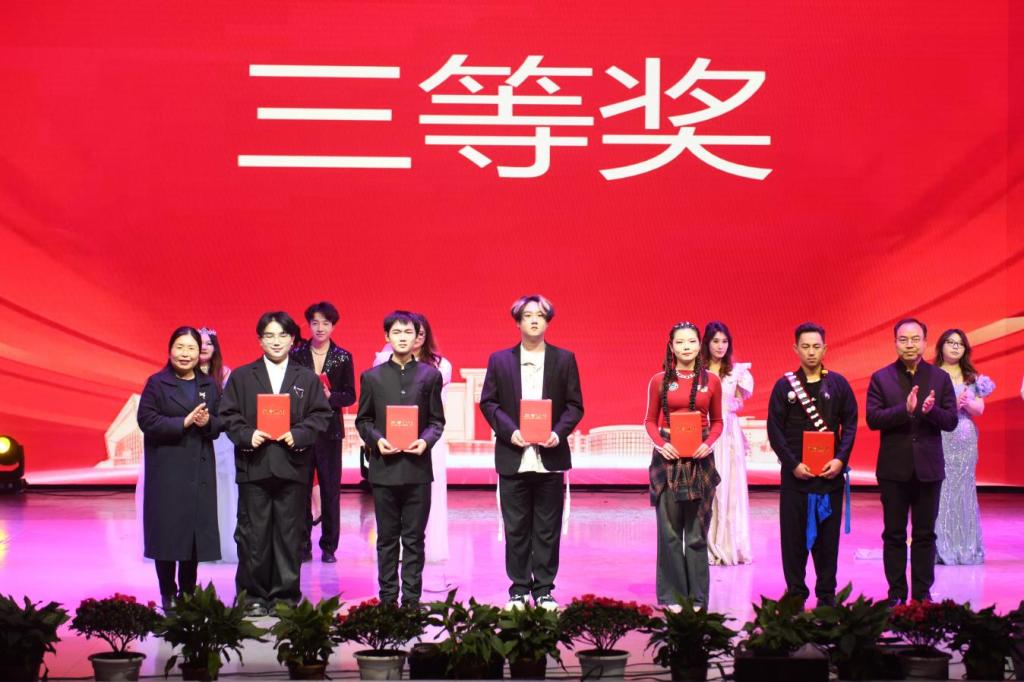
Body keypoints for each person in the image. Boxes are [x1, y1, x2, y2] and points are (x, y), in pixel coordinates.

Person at [219, 311, 332, 616]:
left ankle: (285, 596)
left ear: (292, 339)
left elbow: (321, 414)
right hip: (254, 465)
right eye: (269, 335)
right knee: (252, 535)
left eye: (282, 335)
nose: (276, 341)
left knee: (289, 534)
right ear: (260, 340)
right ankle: (253, 596)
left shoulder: (306, 378)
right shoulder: (242, 376)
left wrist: (299, 434)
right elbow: (227, 414)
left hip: (292, 466)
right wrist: (247, 434)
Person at [480, 294, 584, 611]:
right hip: (513, 457)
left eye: (540, 315)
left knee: (547, 529)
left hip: (549, 459)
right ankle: (518, 589)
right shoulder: (500, 360)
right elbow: (489, 403)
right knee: (516, 529)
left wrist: (557, 433)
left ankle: (544, 590)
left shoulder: (564, 359)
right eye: (528, 315)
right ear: (518, 322)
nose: (535, 319)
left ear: (548, 321)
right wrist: (509, 431)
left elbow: (575, 406)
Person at [356, 311, 445, 607]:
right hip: (384, 470)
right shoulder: (372, 377)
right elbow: (363, 420)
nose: (403, 337)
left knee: (414, 539)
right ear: (387, 337)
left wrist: (426, 441)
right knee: (386, 538)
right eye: (397, 332)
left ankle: (411, 599)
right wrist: (377, 440)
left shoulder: (430, 376)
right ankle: (387, 598)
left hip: (418, 470)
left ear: (418, 337)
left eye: (408, 332)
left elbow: (437, 421)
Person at [766, 322, 858, 608]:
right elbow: (775, 430)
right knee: (793, 541)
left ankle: (826, 597)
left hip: (829, 478)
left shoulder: (839, 385)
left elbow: (850, 424)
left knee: (827, 542)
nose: (811, 352)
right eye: (805, 347)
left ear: (825, 349)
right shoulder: (784, 387)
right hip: (796, 478)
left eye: (816, 346)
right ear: (795, 349)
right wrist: (792, 464)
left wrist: (840, 459)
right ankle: (795, 595)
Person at [866, 318, 957, 604]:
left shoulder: (940, 378)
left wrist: (930, 411)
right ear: (895, 343)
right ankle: (896, 594)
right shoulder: (881, 378)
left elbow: (951, 421)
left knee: (925, 535)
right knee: (893, 534)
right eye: (903, 340)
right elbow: (873, 418)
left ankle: (921, 595)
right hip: (893, 469)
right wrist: (903, 410)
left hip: (929, 469)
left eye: (915, 339)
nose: (909, 345)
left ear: (925, 342)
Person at [137, 326, 222, 612]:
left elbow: (220, 422)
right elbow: (146, 421)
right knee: (167, 534)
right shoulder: (156, 383)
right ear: (170, 350)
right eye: (180, 347)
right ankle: (167, 592)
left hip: (199, 473)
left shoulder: (208, 384)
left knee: (192, 537)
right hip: (167, 471)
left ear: (200, 353)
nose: (185, 354)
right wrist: (182, 423)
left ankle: (187, 591)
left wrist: (208, 423)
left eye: (191, 348)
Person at [643, 321, 722, 608]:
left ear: (700, 345)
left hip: (700, 459)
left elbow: (718, 421)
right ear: (671, 346)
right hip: (668, 458)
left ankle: (698, 598)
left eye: (691, 341)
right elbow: (650, 421)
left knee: (697, 532)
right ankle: (672, 597)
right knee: (670, 532)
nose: (686, 347)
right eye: (680, 342)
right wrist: (661, 445)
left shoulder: (711, 381)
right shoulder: (659, 380)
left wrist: (708, 443)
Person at [291, 302, 356, 564]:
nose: (320, 328)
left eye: (326, 323)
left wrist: (330, 396)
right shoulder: (297, 354)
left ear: (333, 326)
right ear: (308, 324)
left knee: (330, 490)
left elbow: (350, 395)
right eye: (315, 323)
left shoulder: (343, 356)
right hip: (303, 429)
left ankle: (329, 546)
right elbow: (288, 388)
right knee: (301, 489)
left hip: (329, 432)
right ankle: (302, 544)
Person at [934, 329, 995, 565]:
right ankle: (940, 546)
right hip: (940, 437)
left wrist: (966, 402)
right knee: (941, 489)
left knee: (964, 490)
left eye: (960, 343)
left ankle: (965, 546)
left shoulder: (971, 377)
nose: (955, 347)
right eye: (950, 342)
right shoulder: (932, 374)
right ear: (941, 346)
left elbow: (980, 410)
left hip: (965, 438)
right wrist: (951, 406)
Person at [701, 321, 753, 566]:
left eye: (724, 341)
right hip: (704, 433)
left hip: (728, 435)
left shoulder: (737, 373)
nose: (720, 346)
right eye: (715, 341)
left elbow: (738, 402)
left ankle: (729, 545)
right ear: (707, 343)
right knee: (707, 489)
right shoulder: (698, 371)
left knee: (729, 488)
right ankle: (705, 544)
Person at [199, 327, 237, 563]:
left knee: (221, 489)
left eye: (208, 343)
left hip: (219, 438)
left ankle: (222, 544)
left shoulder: (225, 374)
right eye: (199, 343)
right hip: (192, 436)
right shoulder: (183, 373)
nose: (204, 347)